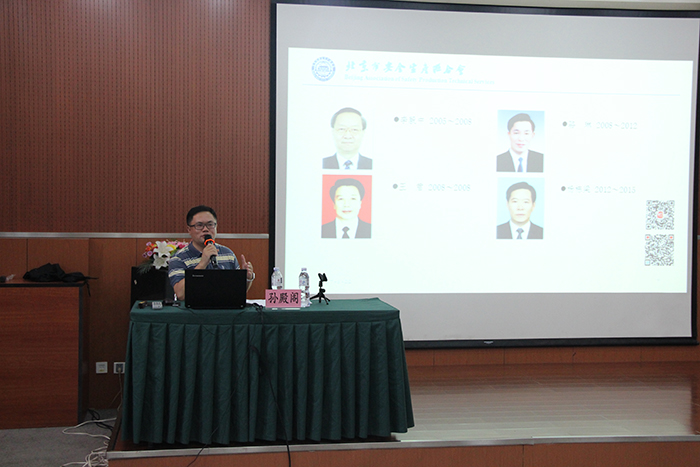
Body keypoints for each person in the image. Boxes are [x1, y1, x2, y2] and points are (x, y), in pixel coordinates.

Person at [168, 205, 255, 300]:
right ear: (189, 229)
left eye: (210, 225)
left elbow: (237, 292)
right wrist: (202, 263)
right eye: (199, 225)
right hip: (194, 309)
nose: (205, 229)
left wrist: (247, 279)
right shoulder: (178, 258)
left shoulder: (227, 254)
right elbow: (181, 294)